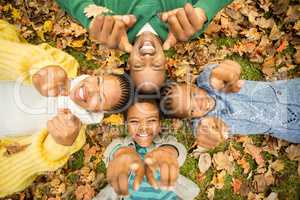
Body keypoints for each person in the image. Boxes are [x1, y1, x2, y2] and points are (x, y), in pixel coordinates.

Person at [0, 20, 131, 197]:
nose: (90, 89)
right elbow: (14, 50)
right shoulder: (65, 65)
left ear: (100, 112)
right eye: (98, 81)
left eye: (100, 98)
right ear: (96, 75)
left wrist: (57, 144)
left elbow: (12, 173)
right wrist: (40, 66)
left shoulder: (73, 137)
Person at [55, 0, 233, 93]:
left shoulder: (112, 26)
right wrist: (204, 9)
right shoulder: (185, 26)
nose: (147, 58)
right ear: (165, 61)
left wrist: (89, 14)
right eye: (156, 65)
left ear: (130, 62)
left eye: (139, 65)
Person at [160, 60, 300, 149]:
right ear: (189, 118)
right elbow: (203, 130)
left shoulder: (207, 83)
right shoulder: (202, 122)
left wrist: (226, 74)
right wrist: (211, 132)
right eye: (192, 110)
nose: (200, 104)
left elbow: (215, 72)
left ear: (192, 85)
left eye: (194, 95)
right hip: (288, 126)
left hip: (288, 92)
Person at [93, 100, 200, 200]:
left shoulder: (165, 141)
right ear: (126, 124)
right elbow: (112, 150)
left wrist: (167, 152)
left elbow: (178, 149)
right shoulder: (123, 143)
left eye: (151, 120)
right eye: (134, 121)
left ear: (159, 124)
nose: (143, 127)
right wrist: (122, 153)